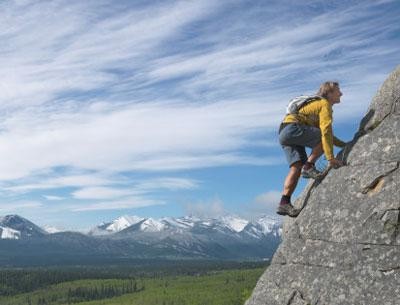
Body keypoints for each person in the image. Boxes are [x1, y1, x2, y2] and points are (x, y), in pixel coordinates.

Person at [277, 81, 346, 217]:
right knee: (322, 138)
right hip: (294, 127)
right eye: (338, 91)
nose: (341, 93)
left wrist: (345, 145)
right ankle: (309, 166)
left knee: (296, 167)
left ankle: (284, 202)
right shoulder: (324, 104)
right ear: (330, 93)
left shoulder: (316, 105)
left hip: (284, 132)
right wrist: (330, 158)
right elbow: (325, 132)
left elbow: (329, 135)